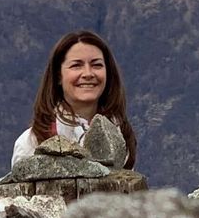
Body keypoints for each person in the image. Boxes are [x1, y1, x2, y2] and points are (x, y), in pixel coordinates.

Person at [12, 29, 137, 169]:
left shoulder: (121, 136)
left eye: (97, 65)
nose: (88, 74)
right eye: (76, 65)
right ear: (58, 76)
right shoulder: (31, 143)